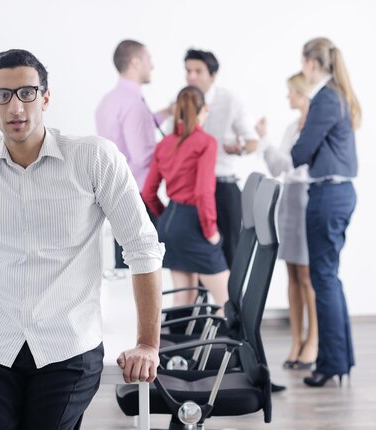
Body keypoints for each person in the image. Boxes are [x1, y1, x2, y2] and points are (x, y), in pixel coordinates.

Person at [0, 49, 165, 428]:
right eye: (3, 95)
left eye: (27, 93)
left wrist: (148, 344)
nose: (15, 106)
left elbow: (142, 249)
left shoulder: (95, 159)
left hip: (68, 347)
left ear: (45, 97)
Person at [291, 38, 361, 388]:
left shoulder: (325, 97)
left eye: (302, 61)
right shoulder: (337, 93)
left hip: (328, 196)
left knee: (323, 279)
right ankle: (340, 359)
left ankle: (331, 363)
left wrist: (288, 151)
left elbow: (302, 150)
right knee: (329, 278)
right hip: (338, 193)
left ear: (312, 63)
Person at [142, 86, 229, 309]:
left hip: (170, 222)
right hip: (194, 223)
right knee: (228, 303)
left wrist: (166, 218)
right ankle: (223, 345)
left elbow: (148, 192)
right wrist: (211, 231)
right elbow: (203, 192)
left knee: (183, 299)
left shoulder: (164, 144)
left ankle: (180, 345)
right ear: (204, 110)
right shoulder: (206, 142)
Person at [256, 72, 318, 370]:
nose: (287, 97)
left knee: (307, 275)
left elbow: (287, 162)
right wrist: (267, 141)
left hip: (306, 197)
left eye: (291, 92)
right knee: (293, 273)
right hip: (289, 199)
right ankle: (296, 340)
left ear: (302, 93)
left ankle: (313, 342)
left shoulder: (314, 128)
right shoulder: (293, 127)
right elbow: (277, 166)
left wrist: (264, 140)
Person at [96, 39, 172, 269]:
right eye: (149, 60)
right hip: (140, 196)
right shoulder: (133, 103)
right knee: (148, 266)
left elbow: (130, 133)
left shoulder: (108, 101)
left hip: (118, 195)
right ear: (135, 62)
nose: (153, 66)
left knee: (126, 264)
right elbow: (143, 156)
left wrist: (166, 113)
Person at [183, 49, 260, 268]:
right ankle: (199, 303)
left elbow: (253, 140)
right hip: (191, 191)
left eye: (198, 71)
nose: (191, 77)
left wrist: (240, 148)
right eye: (188, 71)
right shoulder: (182, 100)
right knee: (194, 258)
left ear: (213, 75)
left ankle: (229, 303)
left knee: (231, 254)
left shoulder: (231, 100)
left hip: (223, 189)